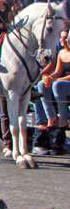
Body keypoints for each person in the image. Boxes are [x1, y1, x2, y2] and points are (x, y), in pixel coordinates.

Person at [31, 28, 70, 156]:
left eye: (65, 38)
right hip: (58, 82)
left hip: (63, 84)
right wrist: (48, 77)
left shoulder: (52, 49)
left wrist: (52, 77)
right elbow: (54, 70)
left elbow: (49, 65)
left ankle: (63, 120)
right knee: (41, 85)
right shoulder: (58, 52)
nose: (63, 40)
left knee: (57, 84)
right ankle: (50, 118)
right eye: (61, 38)